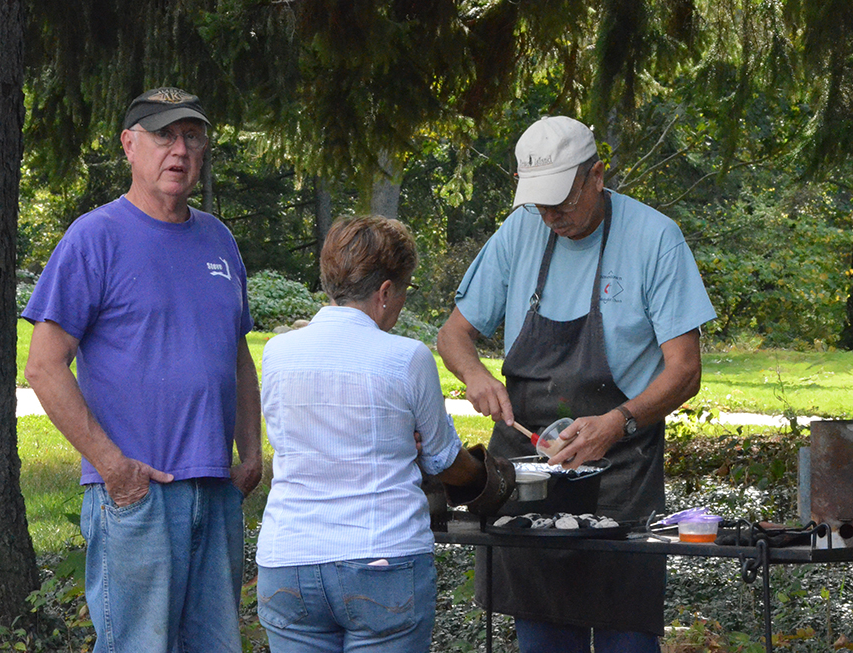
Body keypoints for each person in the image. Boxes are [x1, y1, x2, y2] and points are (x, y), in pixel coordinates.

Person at [437, 116, 717, 652]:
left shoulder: (655, 238)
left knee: (626, 640)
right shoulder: (521, 230)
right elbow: (453, 334)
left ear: (597, 176)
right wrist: (475, 374)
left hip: (620, 470)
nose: (550, 216)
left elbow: (684, 370)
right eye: (539, 204)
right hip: (526, 476)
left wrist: (617, 422)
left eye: (561, 202)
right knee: (542, 639)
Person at [22, 87, 261, 653]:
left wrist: (250, 451)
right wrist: (113, 468)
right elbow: (43, 366)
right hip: (137, 494)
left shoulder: (219, 240)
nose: (178, 150)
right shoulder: (95, 237)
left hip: (216, 488)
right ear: (130, 146)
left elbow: (236, 355)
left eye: (191, 137)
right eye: (163, 136)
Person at [255, 215, 514, 653]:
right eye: (404, 290)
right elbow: (442, 460)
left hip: (289, 559)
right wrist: (488, 478)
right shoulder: (406, 357)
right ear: (385, 292)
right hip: (381, 558)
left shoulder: (278, 353)